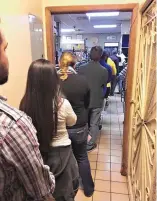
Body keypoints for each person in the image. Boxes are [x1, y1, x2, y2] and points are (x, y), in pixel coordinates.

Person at [0, 30, 55, 200]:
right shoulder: (12, 125)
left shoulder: (25, 102)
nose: (7, 57)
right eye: (5, 49)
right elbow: (42, 191)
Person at [20, 59, 79, 201]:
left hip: (38, 152)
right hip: (62, 153)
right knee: (66, 191)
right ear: (53, 79)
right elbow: (73, 121)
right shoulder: (62, 104)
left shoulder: (25, 104)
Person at [58, 52, 94, 197]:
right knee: (82, 156)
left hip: (61, 126)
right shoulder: (83, 81)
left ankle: (68, 190)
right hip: (79, 125)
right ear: (74, 64)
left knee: (64, 159)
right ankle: (89, 189)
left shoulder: (54, 80)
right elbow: (88, 103)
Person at [79, 46, 108, 152]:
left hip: (83, 100)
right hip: (97, 100)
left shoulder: (81, 68)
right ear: (101, 56)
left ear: (90, 54)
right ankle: (89, 144)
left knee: (83, 122)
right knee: (94, 124)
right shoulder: (104, 70)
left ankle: (81, 142)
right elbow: (104, 85)